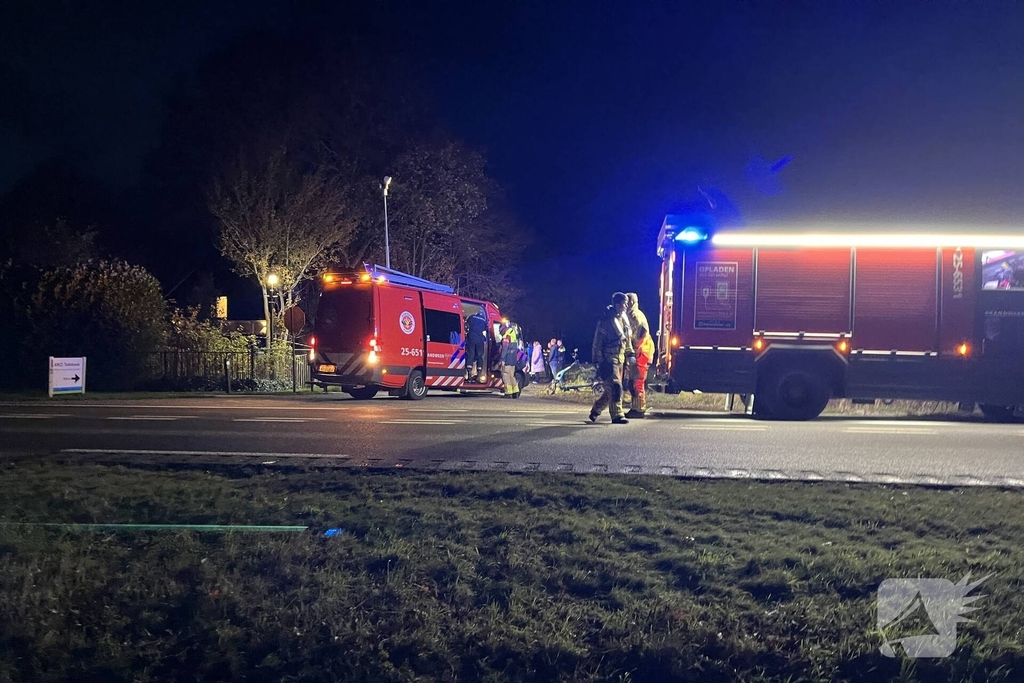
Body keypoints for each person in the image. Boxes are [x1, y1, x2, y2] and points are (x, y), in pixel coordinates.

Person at [589, 292, 635, 424]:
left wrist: (630, 353)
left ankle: (596, 410)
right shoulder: (606, 321)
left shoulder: (623, 320)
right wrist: (597, 360)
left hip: (620, 360)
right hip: (608, 360)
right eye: (624, 304)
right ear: (617, 305)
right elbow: (597, 342)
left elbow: (627, 340)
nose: (626, 306)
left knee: (611, 390)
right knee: (616, 387)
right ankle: (617, 415)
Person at [623, 292, 655, 418]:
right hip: (640, 352)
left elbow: (640, 335)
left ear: (631, 302)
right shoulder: (633, 314)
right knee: (634, 382)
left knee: (637, 382)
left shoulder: (635, 316)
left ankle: (639, 409)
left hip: (641, 352)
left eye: (626, 302)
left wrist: (631, 350)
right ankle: (636, 407)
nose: (624, 305)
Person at [464, 308, 489, 382]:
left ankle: (469, 375)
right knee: (479, 356)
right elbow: (486, 329)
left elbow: (466, 326)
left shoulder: (472, 317)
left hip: (471, 337)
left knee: (470, 354)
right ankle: (478, 375)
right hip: (480, 339)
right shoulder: (484, 320)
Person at [499, 324, 521, 398]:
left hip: (507, 359)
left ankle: (508, 393)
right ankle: (515, 391)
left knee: (505, 375)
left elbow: (505, 349)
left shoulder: (506, 336)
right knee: (512, 375)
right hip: (513, 359)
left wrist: (502, 359)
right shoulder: (513, 335)